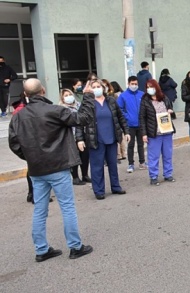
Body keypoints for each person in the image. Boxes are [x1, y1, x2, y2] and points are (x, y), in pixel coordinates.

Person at [8, 78, 95, 261]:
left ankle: (41, 249)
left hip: (37, 169)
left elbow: (14, 144)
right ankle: (75, 246)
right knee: (67, 207)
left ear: (25, 94)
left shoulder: (18, 116)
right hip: (57, 166)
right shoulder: (55, 110)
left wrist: (30, 157)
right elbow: (83, 118)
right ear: (43, 91)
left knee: (40, 210)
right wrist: (87, 96)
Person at [75, 80, 130, 200]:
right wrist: (79, 139)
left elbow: (120, 117)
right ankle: (99, 191)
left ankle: (116, 187)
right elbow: (79, 122)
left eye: (98, 86)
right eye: (93, 87)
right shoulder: (88, 103)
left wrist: (126, 131)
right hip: (96, 140)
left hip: (111, 137)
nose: (96, 89)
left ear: (103, 87)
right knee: (97, 166)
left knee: (113, 165)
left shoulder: (111, 101)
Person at [139, 79, 176, 186]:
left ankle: (168, 174)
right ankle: (153, 176)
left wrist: (170, 111)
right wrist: (144, 134)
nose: (150, 89)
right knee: (153, 156)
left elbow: (171, 110)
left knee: (167, 154)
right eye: (148, 87)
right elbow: (142, 117)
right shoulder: (145, 100)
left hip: (166, 130)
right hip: (153, 132)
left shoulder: (164, 98)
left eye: (151, 86)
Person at [59, 89, 89, 186]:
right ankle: (75, 177)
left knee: (84, 156)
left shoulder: (79, 105)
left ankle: (85, 175)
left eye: (70, 94)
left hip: (83, 134)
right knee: (74, 157)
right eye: (66, 95)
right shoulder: (61, 109)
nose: (68, 97)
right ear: (62, 98)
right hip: (70, 136)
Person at [117, 76, 146, 173]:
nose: (134, 86)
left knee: (141, 144)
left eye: (136, 84)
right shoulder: (123, 96)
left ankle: (142, 162)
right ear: (128, 84)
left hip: (141, 124)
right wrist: (127, 117)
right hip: (130, 124)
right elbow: (119, 109)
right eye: (132, 84)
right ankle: (131, 164)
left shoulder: (142, 94)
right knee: (131, 145)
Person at [110, 81, 126, 163]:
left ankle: (119, 154)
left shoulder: (115, 96)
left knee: (118, 136)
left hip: (116, 118)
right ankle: (123, 154)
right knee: (121, 136)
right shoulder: (122, 93)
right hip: (121, 118)